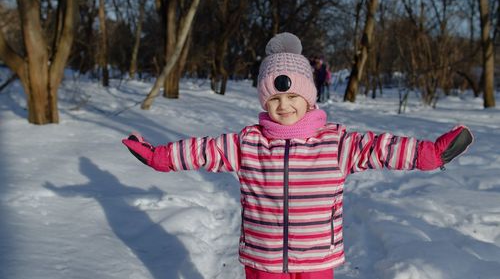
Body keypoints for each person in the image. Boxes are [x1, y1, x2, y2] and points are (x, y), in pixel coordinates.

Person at [122, 32, 473, 279]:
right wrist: (159, 157)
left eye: (292, 98)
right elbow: (201, 150)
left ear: (309, 97)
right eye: (274, 100)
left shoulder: (335, 142)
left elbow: (380, 148)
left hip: (317, 257)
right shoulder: (248, 143)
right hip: (262, 257)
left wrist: (428, 154)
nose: (283, 106)